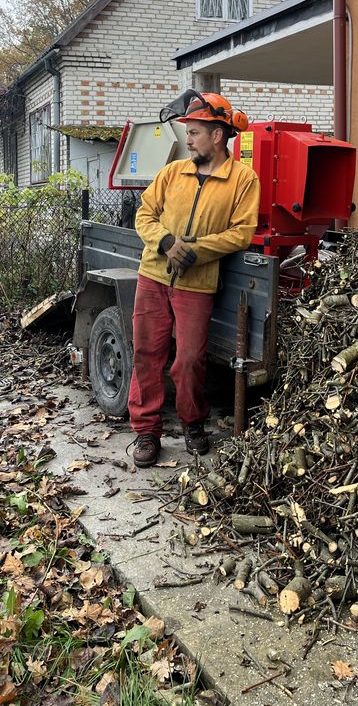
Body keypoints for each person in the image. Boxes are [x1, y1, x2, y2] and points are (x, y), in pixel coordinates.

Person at [128, 91, 261, 468]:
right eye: (188, 132)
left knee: (189, 359)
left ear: (217, 136)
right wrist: (167, 242)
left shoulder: (242, 180)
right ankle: (147, 431)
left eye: (196, 132)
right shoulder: (172, 173)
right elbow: (144, 216)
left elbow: (242, 233)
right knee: (147, 354)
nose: (188, 139)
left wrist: (195, 251)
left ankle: (192, 423)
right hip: (153, 275)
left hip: (197, 282)